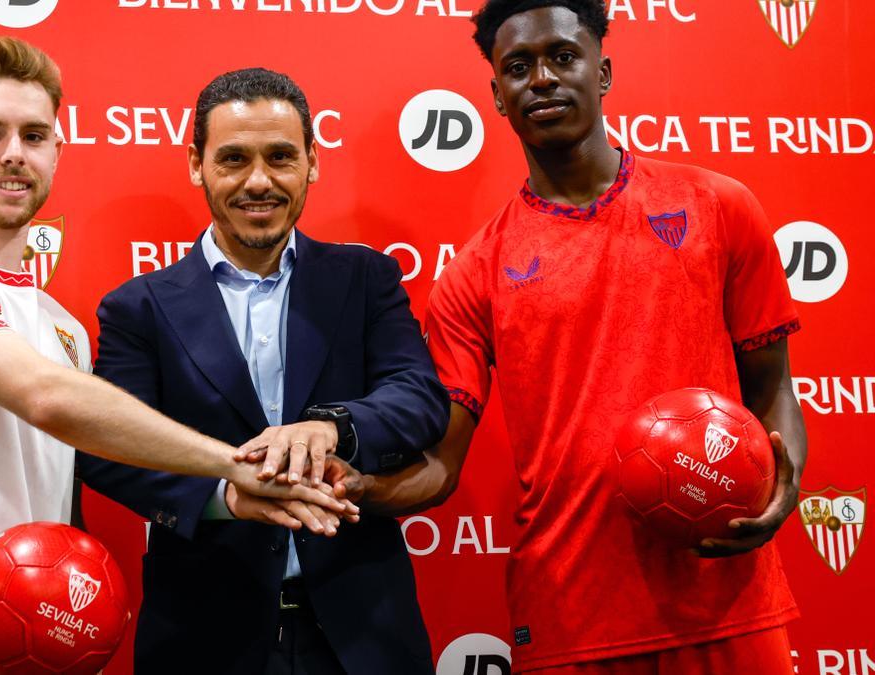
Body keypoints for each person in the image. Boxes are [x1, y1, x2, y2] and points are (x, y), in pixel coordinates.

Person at [0, 39, 351, 675]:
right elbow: (48, 397)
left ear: (57, 152)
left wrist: (229, 494)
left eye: (34, 136)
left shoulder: (64, 330)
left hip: (16, 651)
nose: (13, 154)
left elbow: (95, 448)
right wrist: (235, 461)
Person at [336, 1, 808, 672]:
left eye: (563, 56)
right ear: (496, 95)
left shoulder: (719, 206)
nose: (543, 79)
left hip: (727, 601)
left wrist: (783, 489)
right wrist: (355, 487)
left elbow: (774, 389)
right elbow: (439, 467)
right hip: (572, 614)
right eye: (518, 67)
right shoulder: (474, 273)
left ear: (603, 70)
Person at [77, 68, 449, 675]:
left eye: (280, 156)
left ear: (312, 162)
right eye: (233, 159)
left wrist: (331, 428)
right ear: (197, 164)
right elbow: (108, 449)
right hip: (202, 640)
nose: (259, 181)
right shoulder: (138, 307)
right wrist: (225, 495)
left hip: (365, 635)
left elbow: (418, 397)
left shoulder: (365, 280)